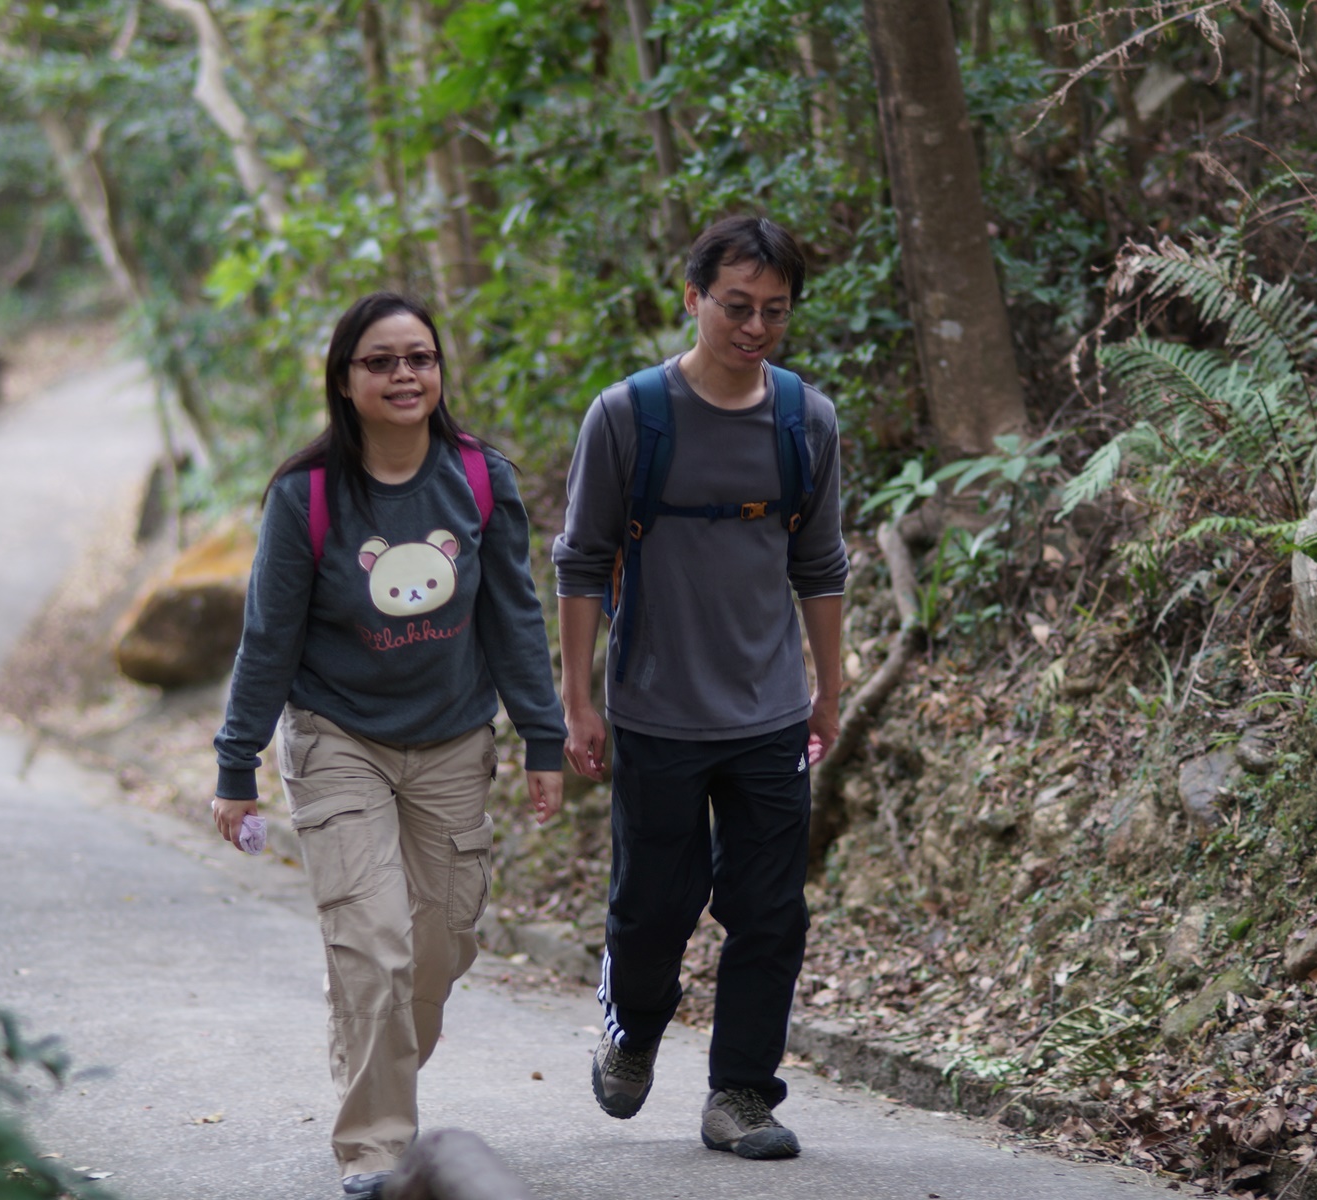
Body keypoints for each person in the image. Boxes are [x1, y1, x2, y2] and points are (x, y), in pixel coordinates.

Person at [211, 292, 566, 1200]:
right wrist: (236, 764)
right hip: (337, 737)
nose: (405, 375)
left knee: (439, 946)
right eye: (381, 361)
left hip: (452, 739)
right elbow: (268, 637)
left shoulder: (480, 478)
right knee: (374, 943)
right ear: (345, 380)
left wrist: (544, 737)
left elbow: (515, 616)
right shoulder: (306, 497)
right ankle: (376, 1148)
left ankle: (370, 1053)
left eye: (420, 358)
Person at [552, 215, 847, 1160]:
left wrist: (830, 690)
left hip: (769, 710)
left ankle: (741, 1096)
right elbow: (581, 564)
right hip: (656, 710)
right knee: (654, 908)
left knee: (771, 911)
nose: (756, 327)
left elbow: (821, 567)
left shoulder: (806, 421)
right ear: (693, 299)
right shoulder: (628, 416)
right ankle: (634, 1030)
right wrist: (578, 700)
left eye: (775, 310)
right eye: (736, 306)